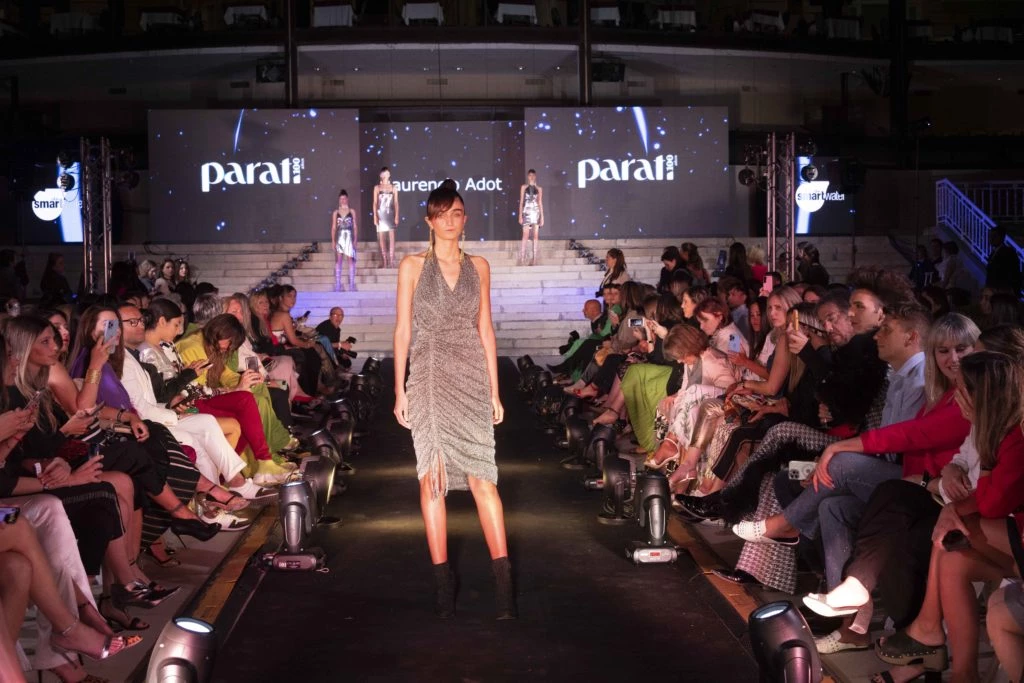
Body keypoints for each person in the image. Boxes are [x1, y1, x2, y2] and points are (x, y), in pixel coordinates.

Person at [393, 179, 514, 620]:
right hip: (427, 375)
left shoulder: (479, 266)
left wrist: (495, 390)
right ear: (429, 221)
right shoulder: (411, 266)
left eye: (456, 214)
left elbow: (486, 329)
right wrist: (398, 390)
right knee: (432, 479)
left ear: (465, 219)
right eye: (442, 214)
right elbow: (403, 330)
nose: (449, 221)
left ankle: (504, 587)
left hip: (470, 374)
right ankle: (444, 587)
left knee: (484, 478)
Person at [331, 190, 358, 292]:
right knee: (339, 260)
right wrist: (333, 241)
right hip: (340, 237)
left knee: (350, 260)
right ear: (339, 200)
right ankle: (338, 284)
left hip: (349, 237)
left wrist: (355, 239)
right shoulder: (336, 212)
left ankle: (351, 284)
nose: (342, 200)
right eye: (341, 199)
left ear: (347, 199)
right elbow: (334, 227)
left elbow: (355, 226)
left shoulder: (352, 211)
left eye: (344, 198)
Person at [373, 166, 399, 269]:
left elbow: (396, 202)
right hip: (381, 214)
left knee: (392, 237)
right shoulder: (377, 188)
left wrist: (397, 215)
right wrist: (375, 216)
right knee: (382, 237)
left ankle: (391, 260)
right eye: (384, 173)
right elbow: (375, 203)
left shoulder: (393, 187)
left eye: (387, 173)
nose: (386, 174)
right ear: (381, 175)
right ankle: (384, 260)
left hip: (390, 213)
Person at [987, 224, 1022, 295]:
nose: (991, 239)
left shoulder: (1008, 252)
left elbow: (1013, 274)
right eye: (990, 236)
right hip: (994, 290)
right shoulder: (993, 253)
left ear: (1002, 237)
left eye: (994, 236)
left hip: (1002, 292)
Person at [518, 169, 543, 266]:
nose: (531, 177)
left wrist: (542, 217)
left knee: (535, 235)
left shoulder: (539, 189)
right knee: (525, 235)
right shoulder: (524, 187)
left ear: (535, 176)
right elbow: (521, 202)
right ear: (528, 176)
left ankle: (535, 259)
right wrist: (520, 215)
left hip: (535, 212)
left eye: (533, 175)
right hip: (527, 211)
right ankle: (522, 259)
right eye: (530, 175)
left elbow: (540, 203)